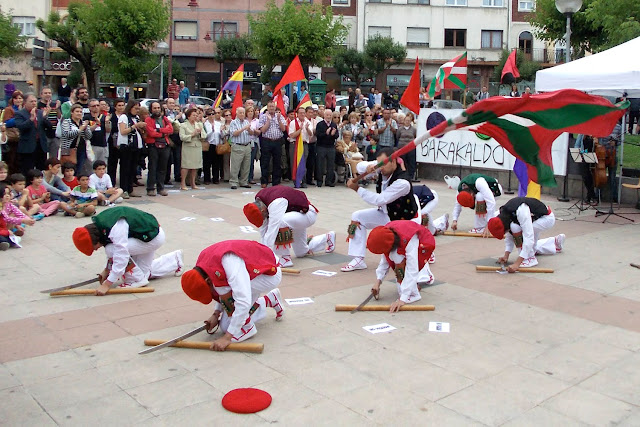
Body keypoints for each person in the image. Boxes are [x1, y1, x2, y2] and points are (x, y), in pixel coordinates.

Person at [180, 240, 284, 350]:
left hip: (269, 273)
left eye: (209, 292)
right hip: (252, 271)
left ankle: (248, 328)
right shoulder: (203, 267)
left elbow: (242, 300)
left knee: (231, 325)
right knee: (226, 325)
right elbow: (219, 285)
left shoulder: (229, 264)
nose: (212, 294)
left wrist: (228, 337)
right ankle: (270, 299)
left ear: (208, 281)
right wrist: (216, 314)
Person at [72, 206, 184, 295]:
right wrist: (106, 271)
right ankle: (175, 260)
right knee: (143, 272)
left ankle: (135, 280)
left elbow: (121, 255)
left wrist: (107, 284)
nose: (96, 250)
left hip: (151, 238)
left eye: (93, 247)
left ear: (94, 239)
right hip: (147, 236)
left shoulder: (115, 228)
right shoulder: (102, 225)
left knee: (112, 250)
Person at [342, 147, 420, 272]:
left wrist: (357, 189)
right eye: (379, 164)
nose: (380, 168)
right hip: (386, 214)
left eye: (383, 164)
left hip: (403, 220)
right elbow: (359, 166)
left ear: (394, 162)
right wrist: (369, 166)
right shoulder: (382, 168)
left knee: (403, 253)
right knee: (358, 217)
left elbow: (379, 200)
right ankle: (358, 259)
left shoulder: (402, 182)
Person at [243, 185, 336, 268]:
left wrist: (264, 259)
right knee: (301, 252)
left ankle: (285, 258)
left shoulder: (276, 203)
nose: (264, 220)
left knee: (280, 223)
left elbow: (272, 230)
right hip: (294, 216)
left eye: (262, 218)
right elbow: (263, 231)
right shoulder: (259, 202)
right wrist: (261, 254)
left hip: (307, 214)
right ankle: (327, 237)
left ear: (263, 210)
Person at [367, 220, 436, 312]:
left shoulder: (409, 240)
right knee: (395, 258)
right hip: (401, 242)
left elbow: (412, 268)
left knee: (400, 259)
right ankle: (413, 286)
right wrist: (378, 282)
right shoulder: (385, 237)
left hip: (423, 242)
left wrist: (402, 299)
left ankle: (420, 282)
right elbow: (384, 262)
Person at [487, 197, 566, 272]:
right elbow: (509, 236)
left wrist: (517, 263)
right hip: (535, 219)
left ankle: (529, 259)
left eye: (504, 232)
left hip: (546, 219)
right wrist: (506, 256)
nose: (505, 233)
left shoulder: (521, 211)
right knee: (526, 240)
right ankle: (555, 243)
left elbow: (529, 237)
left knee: (516, 228)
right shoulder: (503, 215)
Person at [14, 94, 52, 174]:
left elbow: (49, 127)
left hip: (41, 146)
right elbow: (21, 127)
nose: (34, 103)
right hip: (27, 147)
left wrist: (45, 117)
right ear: (25, 102)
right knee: (27, 171)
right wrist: (31, 119)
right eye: (31, 101)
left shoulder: (40, 113)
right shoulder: (20, 114)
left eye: (35, 101)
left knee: (41, 170)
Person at [117, 100, 146, 198]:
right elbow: (123, 131)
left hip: (135, 147)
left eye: (138, 108)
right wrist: (135, 126)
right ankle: (123, 189)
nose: (137, 111)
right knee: (125, 169)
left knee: (132, 169)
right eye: (135, 108)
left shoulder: (136, 118)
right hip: (126, 146)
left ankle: (130, 189)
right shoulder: (124, 117)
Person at [144, 101, 173, 196]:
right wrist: (163, 132)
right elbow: (151, 133)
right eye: (154, 108)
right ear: (151, 109)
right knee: (152, 167)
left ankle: (161, 188)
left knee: (162, 168)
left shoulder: (165, 119)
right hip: (153, 146)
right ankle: (150, 188)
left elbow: (171, 130)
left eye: (158, 108)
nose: (157, 110)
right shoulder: (148, 120)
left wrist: (159, 130)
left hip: (164, 145)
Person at [258, 101, 287, 188]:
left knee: (277, 162)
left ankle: (276, 181)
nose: (271, 108)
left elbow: (283, 129)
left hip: (277, 141)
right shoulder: (263, 117)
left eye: (273, 106)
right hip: (266, 141)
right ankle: (264, 181)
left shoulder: (280, 116)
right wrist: (268, 121)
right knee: (265, 162)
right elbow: (262, 130)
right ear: (267, 107)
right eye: (270, 106)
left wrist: (278, 120)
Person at [60, 104, 92, 176]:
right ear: (72, 112)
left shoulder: (83, 123)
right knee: (69, 170)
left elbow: (89, 136)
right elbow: (67, 134)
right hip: (69, 150)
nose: (79, 113)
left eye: (81, 112)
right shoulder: (66, 122)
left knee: (79, 170)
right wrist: (80, 129)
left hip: (82, 149)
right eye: (77, 111)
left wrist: (86, 128)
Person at [179, 107, 206, 191]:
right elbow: (182, 137)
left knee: (195, 166)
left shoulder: (199, 124)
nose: (195, 117)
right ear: (188, 116)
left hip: (197, 146)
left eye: (196, 115)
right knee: (186, 166)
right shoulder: (183, 125)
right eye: (193, 115)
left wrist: (200, 133)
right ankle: (183, 183)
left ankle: (193, 183)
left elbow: (205, 136)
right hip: (188, 147)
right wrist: (192, 134)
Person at [228, 107, 253, 190]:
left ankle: (244, 181)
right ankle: (233, 182)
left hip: (247, 145)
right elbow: (234, 133)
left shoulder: (246, 121)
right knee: (236, 165)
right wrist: (243, 129)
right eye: (240, 113)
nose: (242, 114)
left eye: (243, 113)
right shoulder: (233, 122)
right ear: (237, 113)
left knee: (246, 166)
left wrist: (249, 129)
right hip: (238, 145)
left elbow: (252, 133)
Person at [315, 109, 339, 187]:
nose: (328, 117)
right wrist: (326, 133)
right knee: (320, 164)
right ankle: (319, 181)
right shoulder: (320, 124)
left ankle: (329, 181)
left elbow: (337, 135)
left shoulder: (333, 124)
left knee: (331, 164)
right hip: (321, 146)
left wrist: (332, 135)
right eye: (327, 115)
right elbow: (318, 135)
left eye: (330, 115)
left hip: (331, 147)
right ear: (324, 116)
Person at [203, 108, 222, 184]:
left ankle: (216, 178)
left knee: (216, 163)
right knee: (207, 163)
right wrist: (212, 131)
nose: (211, 116)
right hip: (208, 144)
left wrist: (221, 131)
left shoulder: (218, 123)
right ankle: (207, 179)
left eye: (213, 114)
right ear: (207, 115)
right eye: (209, 114)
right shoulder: (205, 124)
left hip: (217, 145)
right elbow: (204, 136)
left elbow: (221, 135)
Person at [396, 113, 417, 180]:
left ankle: (410, 176)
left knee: (411, 162)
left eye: (409, 120)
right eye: (406, 120)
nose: (407, 122)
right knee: (402, 162)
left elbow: (415, 136)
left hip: (411, 148)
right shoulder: (400, 129)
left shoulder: (413, 129)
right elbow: (397, 136)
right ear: (404, 121)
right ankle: (402, 175)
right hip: (402, 148)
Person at [246, 106, 261, 185]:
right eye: (249, 111)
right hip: (245, 141)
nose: (250, 113)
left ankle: (250, 177)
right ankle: (243, 177)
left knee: (251, 161)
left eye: (252, 111)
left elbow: (259, 132)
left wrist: (252, 130)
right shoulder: (244, 121)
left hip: (253, 142)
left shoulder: (257, 121)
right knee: (245, 161)